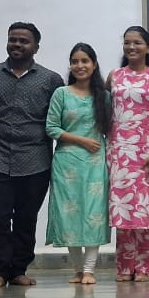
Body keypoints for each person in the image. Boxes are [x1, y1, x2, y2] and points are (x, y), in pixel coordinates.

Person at [0, 22, 64, 288]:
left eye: (24, 41)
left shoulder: (51, 80)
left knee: (26, 218)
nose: (17, 44)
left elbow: (59, 118)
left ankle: (19, 270)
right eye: (13, 39)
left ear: (36, 47)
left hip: (35, 161)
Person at [45, 43, 112, 285]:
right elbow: (51, 128)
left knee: (94, 213)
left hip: (95, 163)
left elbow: (111, 129)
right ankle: (77, 270)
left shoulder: (104, 97)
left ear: (94, 65)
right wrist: (81, 140)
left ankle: (89, 270)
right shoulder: (61, 94)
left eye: (85, 61)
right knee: (69, 215)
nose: (80, 66)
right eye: (75, 61)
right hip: (67, 163)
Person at [107, 26, 149, 281]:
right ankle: (124, 266)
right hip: (118, 149)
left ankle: (144, 266)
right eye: (128, 43)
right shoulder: (114, 76)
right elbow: (104, 109)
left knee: (144, 208)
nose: (132, 47)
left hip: (145, 149)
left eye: (137, 43)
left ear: (148, 48)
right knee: (123, 209)